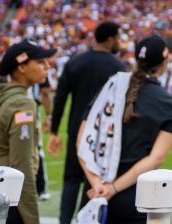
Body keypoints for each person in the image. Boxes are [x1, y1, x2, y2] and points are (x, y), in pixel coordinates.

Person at [78, 35, 172, 224]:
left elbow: (82, 141)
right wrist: (113, 188)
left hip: (94, 193)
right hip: (135, 194)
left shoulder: (110, 87)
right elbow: (157, 157)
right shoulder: (166, 102)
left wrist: (97, 184)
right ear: (165, 61)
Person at [49, 20, 128, 224]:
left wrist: (54, 131)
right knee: (93, 182)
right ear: (110, 39)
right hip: (103, 136)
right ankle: (85, 220)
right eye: (118, 37)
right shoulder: (118, 67)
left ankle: (64, 220)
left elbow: (60, 98)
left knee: (71, 180)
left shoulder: (75, 62)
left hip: (77, 129)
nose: (119, 42)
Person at [0, 40, 57, 224]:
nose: (47, 66)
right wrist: (32, 218)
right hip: (8, 195)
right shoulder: (22, 103)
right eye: (40, 62)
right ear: (23, 67)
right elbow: (21, 164)